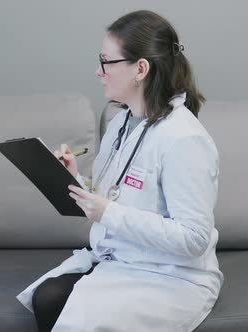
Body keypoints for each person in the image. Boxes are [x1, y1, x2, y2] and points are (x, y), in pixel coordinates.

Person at [18, 10, 223, 332]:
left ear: (140, 68)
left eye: (106, 62)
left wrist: (107, 212)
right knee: (47, 296)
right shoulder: (122, 122)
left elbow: (193, 238)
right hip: (124, 260)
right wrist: (76, 180)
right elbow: (117, 196)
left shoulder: (185, 139)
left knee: (59, 306)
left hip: (169, 274)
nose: (98, 72)